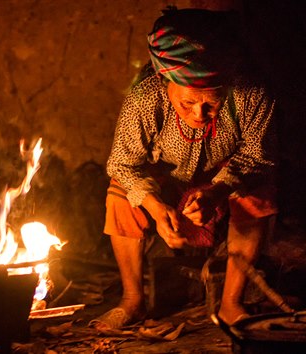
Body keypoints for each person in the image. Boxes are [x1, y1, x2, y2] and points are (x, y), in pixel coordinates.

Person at [89, 7, 279, 330]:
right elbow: (121, 162)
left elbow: (259, 156)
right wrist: (154, 206)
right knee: (119, 195)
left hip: (223, 179)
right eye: (187, 103)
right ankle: (132, 301)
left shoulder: (252, 93)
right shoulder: (145, 98)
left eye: (211, 103)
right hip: (169, 182)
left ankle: (232, 304)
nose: (199, 114)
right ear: (165, 82)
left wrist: (216, 192)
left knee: (259, 195)